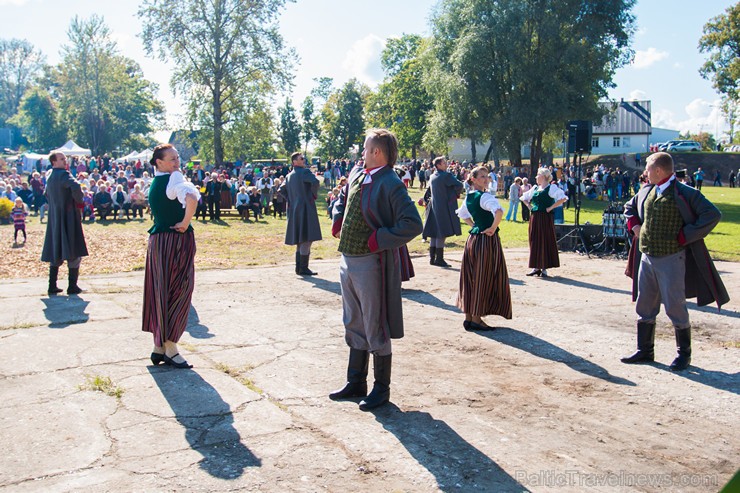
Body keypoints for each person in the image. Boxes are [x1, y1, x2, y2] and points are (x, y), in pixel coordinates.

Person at [329, 128, 423, 411]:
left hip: (372, 263)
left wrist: (378, 239)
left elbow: (412, 224)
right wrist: (338, 217)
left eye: (366, 148)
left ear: (377, 152)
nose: (361, 153)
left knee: (374, 323)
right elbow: (342, 199)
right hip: (348, 259)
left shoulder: (390, 182)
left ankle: (381, 389)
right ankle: (356, 381)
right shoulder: (359, 173)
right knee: (353, 320)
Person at [621, 152, 729, 371]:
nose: (645, 172)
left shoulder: (685, 192)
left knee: (675, 305)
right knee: (645, 303)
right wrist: (634, 226)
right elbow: (629, 208)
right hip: (648, 257)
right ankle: (645, 350)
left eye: (649, 168)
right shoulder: (647, 190)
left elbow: (712, 214)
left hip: (671, 257)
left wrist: (685, 236)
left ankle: (683, 355)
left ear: (659, 171)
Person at [142, 144, 201, 369]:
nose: (177, 163)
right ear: (159, 162)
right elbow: (192, 198)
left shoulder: (156, 181)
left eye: (177, 158)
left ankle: (159, 347)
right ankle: (171, 347)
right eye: (172, 159)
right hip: (175, 240)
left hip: (157, 242)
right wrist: (185, 223)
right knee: (179, 290)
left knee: (159, 290)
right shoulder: (174, 178)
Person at [456, 166, 512, 330]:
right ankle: (476, 319)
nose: (486, 179)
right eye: (482, 177)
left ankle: (469, 317)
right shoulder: (483, 196)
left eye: (487, 176)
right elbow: (499, 211)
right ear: (473, 179)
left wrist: (475, 226)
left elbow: (463, 214)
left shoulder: (470, 197)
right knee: (483, 277)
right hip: (486, 242)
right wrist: (493, 228)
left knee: (471, 276)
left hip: (473, 240)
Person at [40, 152, 88, 295]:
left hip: (55, 217)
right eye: (61, 159)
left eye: (65, 159)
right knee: (73, 249)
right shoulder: (64, 175)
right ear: (54, 162)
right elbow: (76, 187)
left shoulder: (49, 177)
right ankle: (72, 286)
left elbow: (46, 194)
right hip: (68, 216)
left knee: (56, 249)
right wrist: (79, 202)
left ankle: (52, 285)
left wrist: (56, 204)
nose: (65, 161)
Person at [520, 167, 567, 277]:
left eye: (538, 175)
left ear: (543, 176)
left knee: (545, 240)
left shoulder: (551, 188)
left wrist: (550, 208)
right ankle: (536, 267)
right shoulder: (535, 188)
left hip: (545, 218)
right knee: (534, 239)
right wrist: (529, 206)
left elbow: (563, 198)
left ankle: (544, 267)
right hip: (535, 217)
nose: (536, 177)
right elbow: (524, 198)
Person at [283, 152, 322, 275]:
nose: (304, 160)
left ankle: (299, 268)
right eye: (301, 158)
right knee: (307, 237)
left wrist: (291, 200)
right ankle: (303, 268)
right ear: (294, 162)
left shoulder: (289, 176)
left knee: (300, 238)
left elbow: (281, 189)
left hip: (294, 209)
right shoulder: (304, 172)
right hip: (305, 207)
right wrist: (311, 196)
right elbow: (315, 182)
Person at [422, 156, 464, 267]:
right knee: (442, 234)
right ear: (438, 165)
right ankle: (439, 259)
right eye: (444, 163)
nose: (446, 164)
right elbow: (459, 185)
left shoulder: (432, 176)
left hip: (434, 207)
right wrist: (454, 194)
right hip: (444, 207)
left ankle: (432, 258)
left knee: (434, 234)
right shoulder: (446, 176)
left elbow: (428, 192)